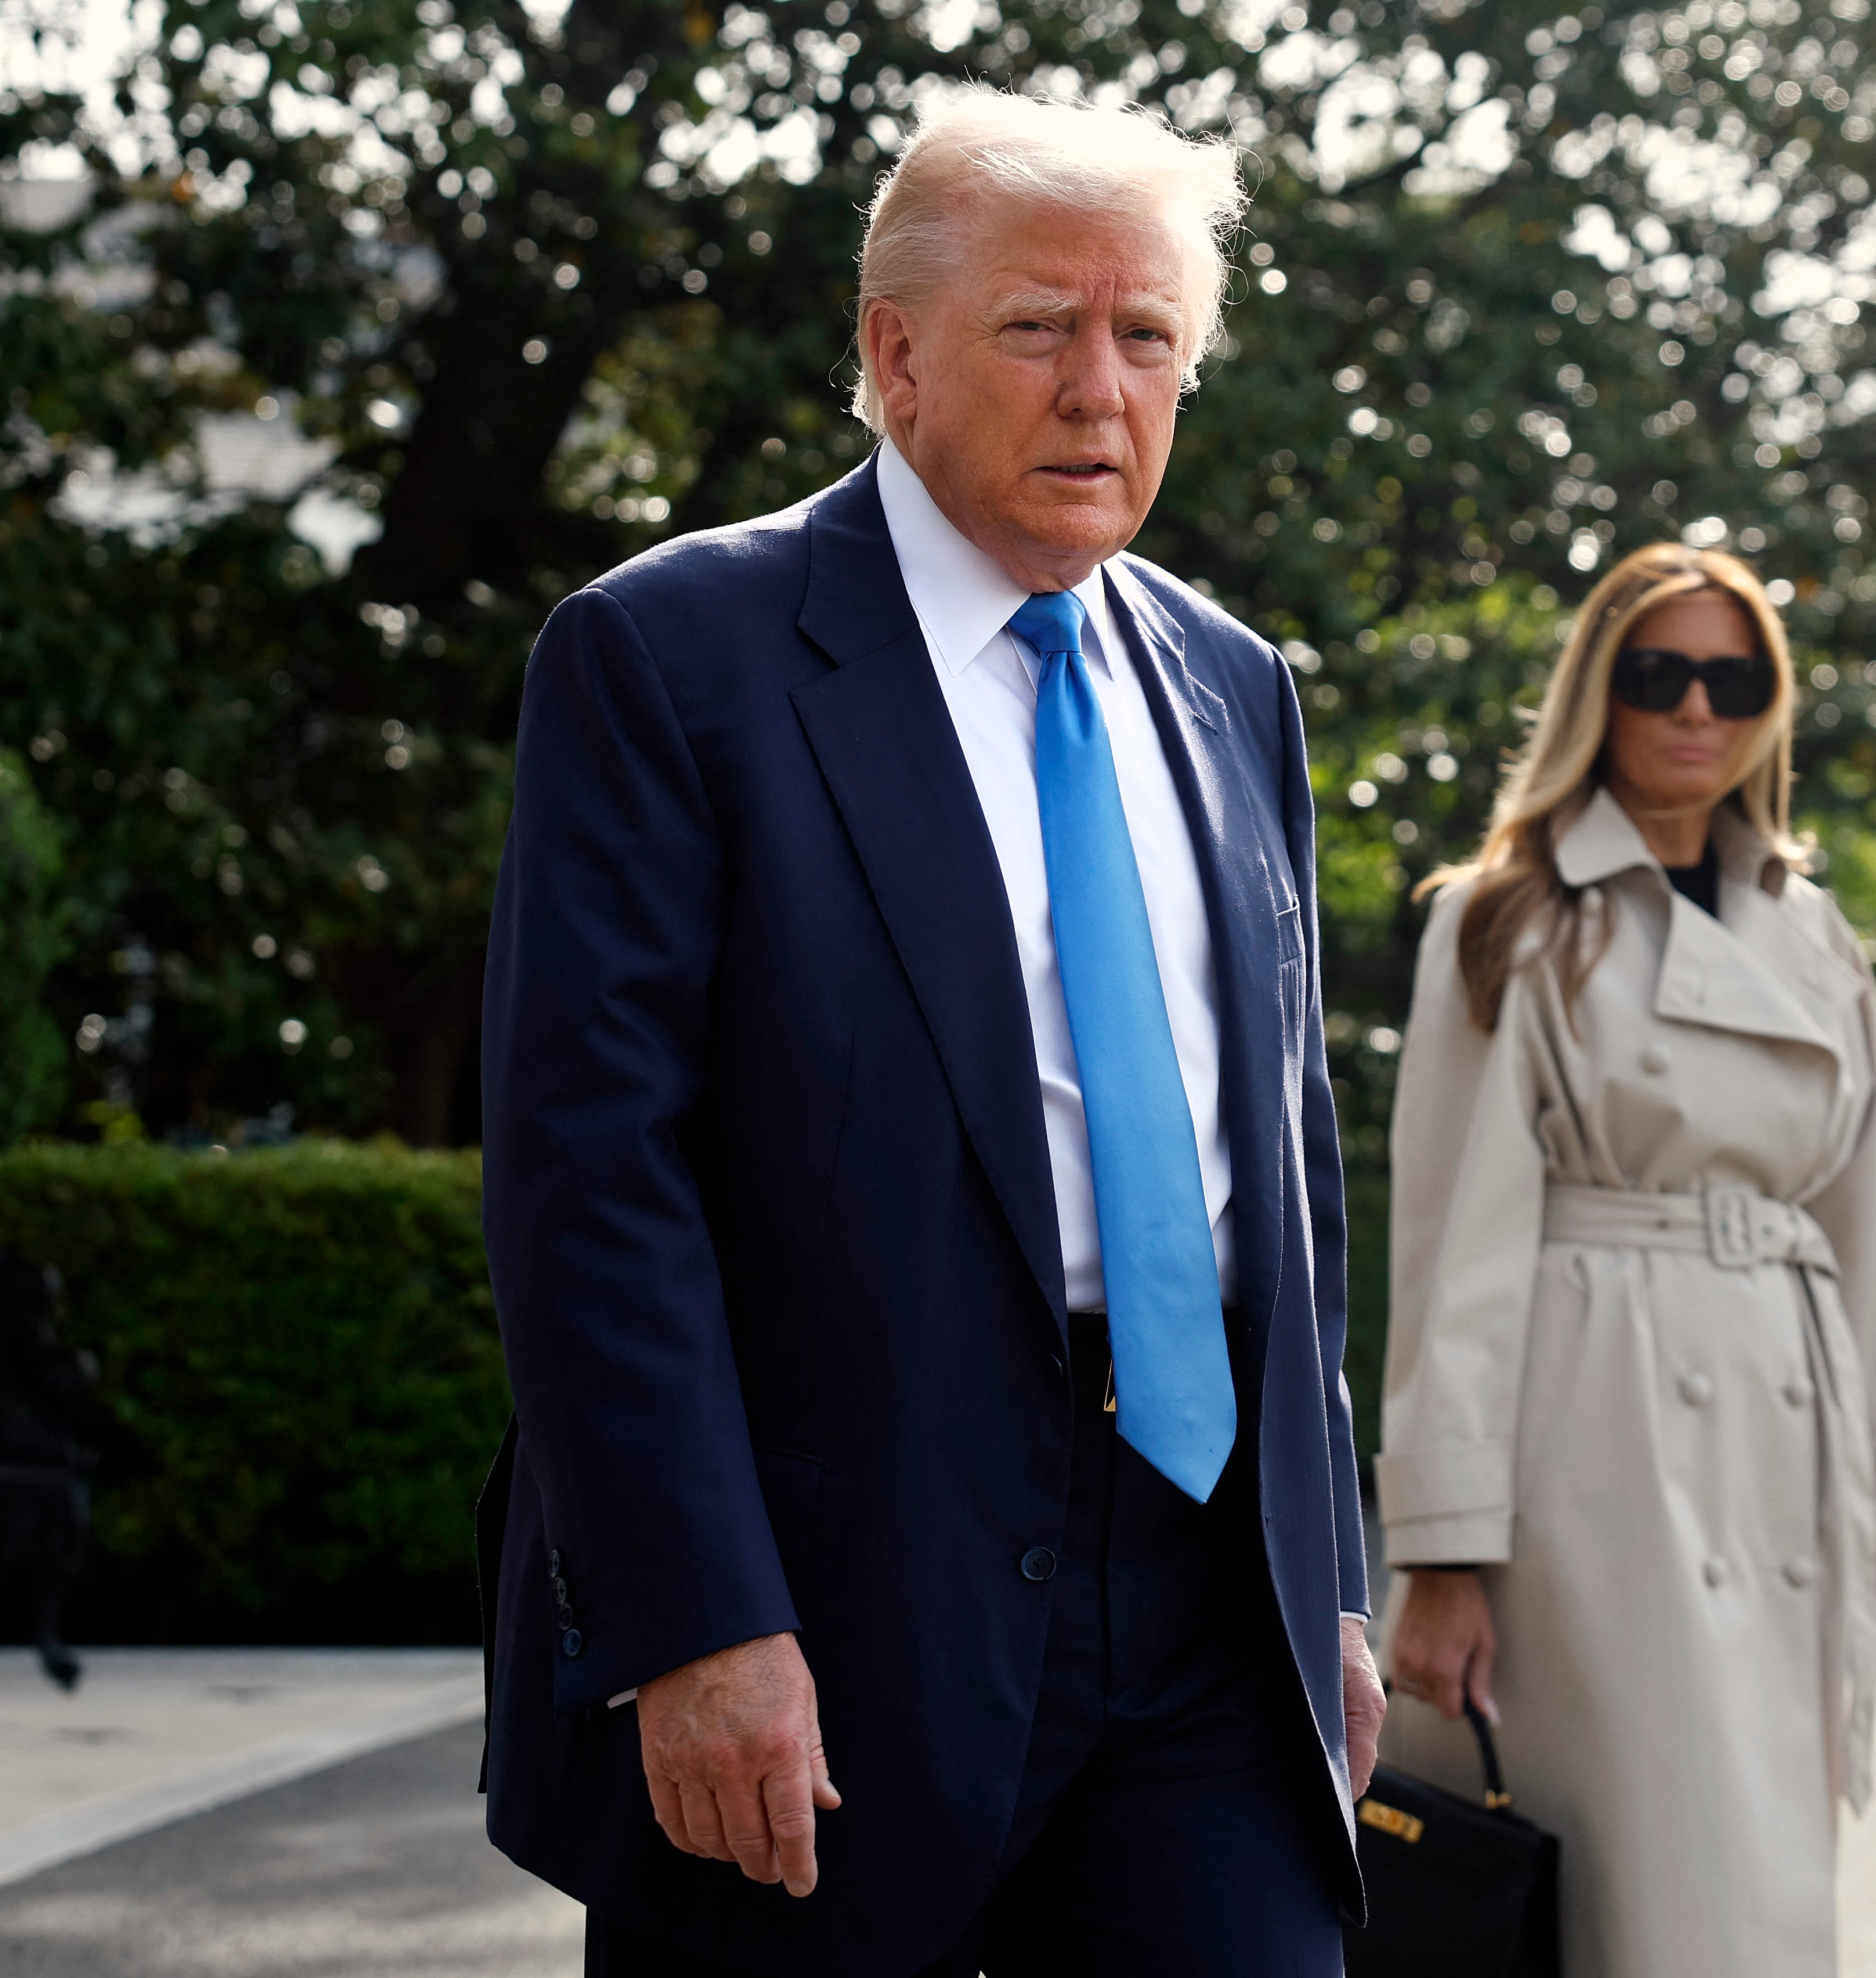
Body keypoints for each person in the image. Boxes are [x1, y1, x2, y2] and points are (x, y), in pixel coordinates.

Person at [475, 88, 1380, 1978]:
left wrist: (1333, 1578)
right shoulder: (671, 656)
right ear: (892, 358)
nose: (1097, 391)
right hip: (835, 1577)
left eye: (1146, 338)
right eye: (1036, 327)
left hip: (1207, 1584)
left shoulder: (1232, 684)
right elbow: (591, 1181)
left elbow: (1281, 1163)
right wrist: (691, 1619)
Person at [1375, 541, 1876, 1977]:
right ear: (1603, 691)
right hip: (1592, 1455)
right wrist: (1444, 1558)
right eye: (1659, 675)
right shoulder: (1509, 913)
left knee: (1752, 1878)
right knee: (1633, 1885)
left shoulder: (1812, 930)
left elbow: (1875, 1223)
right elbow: (1453, 1254)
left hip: (1785, 1431)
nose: (1696, 709)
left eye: (1735, 676)